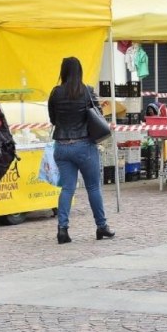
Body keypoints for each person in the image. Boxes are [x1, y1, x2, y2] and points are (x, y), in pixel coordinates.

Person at [47, 57, 114, 244]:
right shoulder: (87, 91)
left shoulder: (55, 92)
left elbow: (53, 119)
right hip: (84, 145)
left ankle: (62, 229)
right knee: (93, 187)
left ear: (63, 71)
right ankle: (101, 227)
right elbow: (98, 116)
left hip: (61, 145)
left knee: (67, 188)